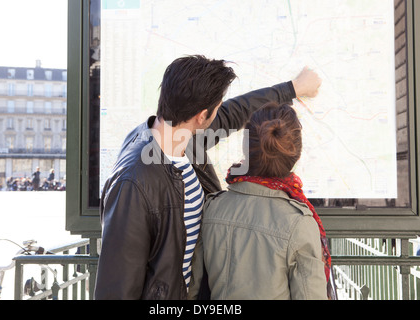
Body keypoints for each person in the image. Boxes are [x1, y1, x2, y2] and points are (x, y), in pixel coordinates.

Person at [94, 54, 322, 300]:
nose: (220, 113)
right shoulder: (133, 184)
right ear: (201, 116)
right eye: (216, 107)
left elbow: (234, 113)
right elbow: (115, 290)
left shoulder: (178, 136)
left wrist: (292, 89)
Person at [189, 102, 336, 300]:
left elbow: (193, 291)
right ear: (296, 154)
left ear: (246, 149)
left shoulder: (213, 208)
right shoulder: (299, 224)